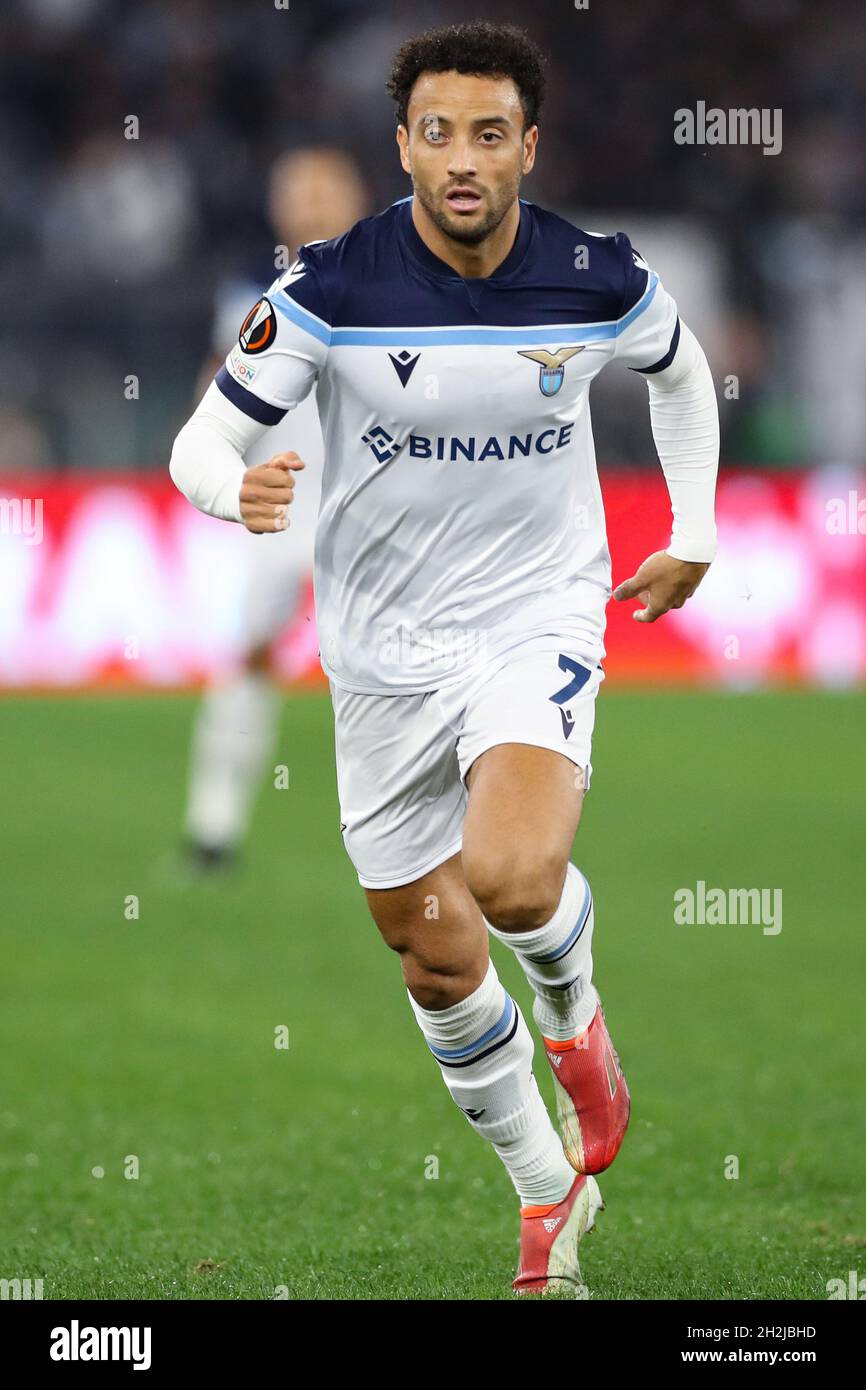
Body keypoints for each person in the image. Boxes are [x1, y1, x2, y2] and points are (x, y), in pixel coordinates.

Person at [170, 20, 718, 1296]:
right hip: (378, 657)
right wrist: (229, 494)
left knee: (515, 879)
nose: (461, 157)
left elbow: (682, 374)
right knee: (432, 955)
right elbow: (203, 442)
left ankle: (577, 1019)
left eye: (487, 133)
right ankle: (543, 1196)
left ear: (527, 144)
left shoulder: (597, 273)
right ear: (400, 146)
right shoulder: (325, 290)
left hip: (534, 617)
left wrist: (692, 529)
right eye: (435, 132)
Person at [181, 147, 369, 869]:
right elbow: (214, 405)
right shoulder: (249, 298)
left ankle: (431, 836)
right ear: (277, 206)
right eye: (300, 191)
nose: (314, 203)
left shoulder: (393, 292)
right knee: (253, 657)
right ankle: (213, 829)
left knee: (402, 663)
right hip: (281, 505)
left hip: (371, 508)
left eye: (328, 189)